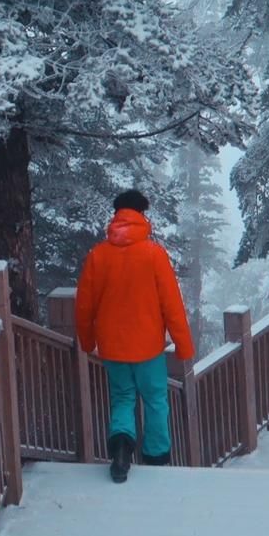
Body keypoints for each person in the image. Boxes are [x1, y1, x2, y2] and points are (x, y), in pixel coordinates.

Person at [75, 189, 195, 483]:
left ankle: (121, 449)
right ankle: (156, 458)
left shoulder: (97, 256)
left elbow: (84, 306)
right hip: (148, 348)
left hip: (113, 348)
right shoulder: (154, 255)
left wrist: (88, 341)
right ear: (142, 215)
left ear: (116, 216)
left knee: (122, 398)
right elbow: (171, 304)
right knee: (155, 400)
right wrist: (183, 345)